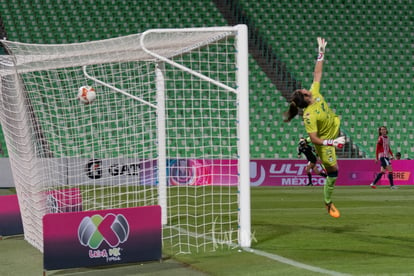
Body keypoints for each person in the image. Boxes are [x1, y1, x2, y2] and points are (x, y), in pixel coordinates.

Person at [283, 37, 345, 218]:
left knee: (333, 171)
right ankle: (328, 202)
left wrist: (321, 53)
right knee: (334, 172)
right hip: (326, 144)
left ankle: (326, 187)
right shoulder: (309, 116)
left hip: (334, 128)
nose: (305, 89)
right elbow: (316, 138)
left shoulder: (315, 93)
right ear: (305, 98)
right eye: (303, 91)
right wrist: (332, 142)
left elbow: (317, 74)